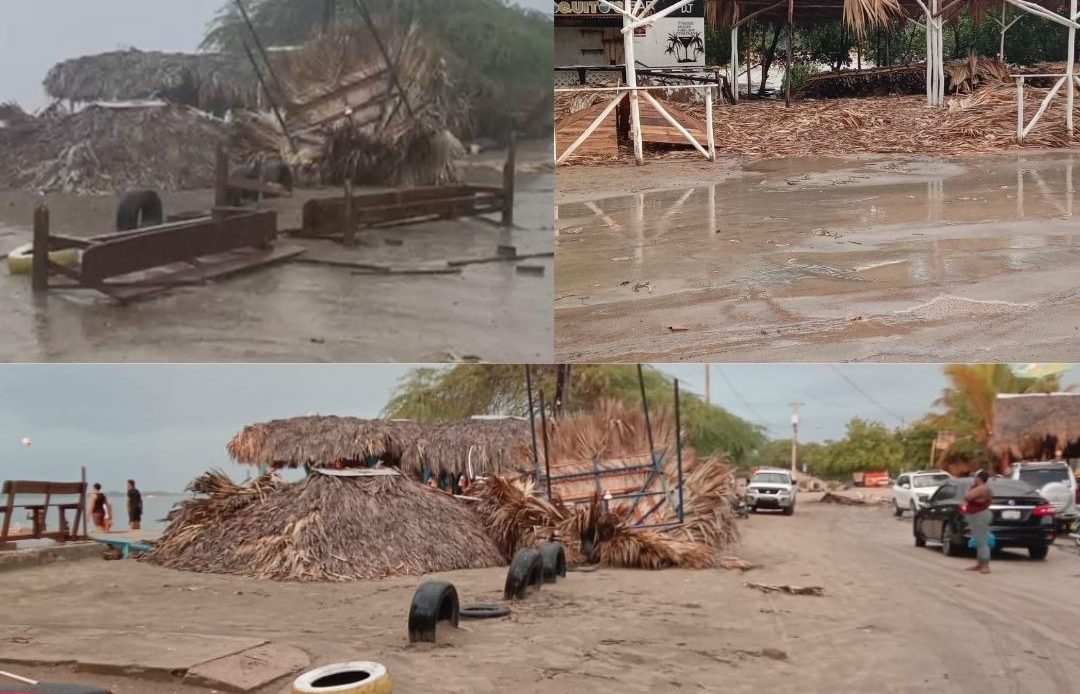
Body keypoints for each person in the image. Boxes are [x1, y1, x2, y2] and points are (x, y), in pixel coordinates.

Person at [963, 469, 994, 574]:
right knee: (978, 539)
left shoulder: (981, 488)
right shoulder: (983, 488)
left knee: (981, 541)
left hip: (979, 515)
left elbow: (967, 496)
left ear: (979, 478)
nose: (974, 479)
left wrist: (968, 488)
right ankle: (979, 564)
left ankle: (985, 565)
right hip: (977, 515)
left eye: (975, 477)